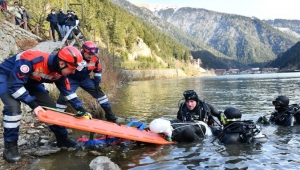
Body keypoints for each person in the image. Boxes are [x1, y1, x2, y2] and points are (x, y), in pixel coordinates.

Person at [0, 46, 89, 163]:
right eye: (72, 69)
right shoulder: (31, 59)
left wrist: (80, 108)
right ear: (62, 63)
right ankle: (10, 147)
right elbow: (15, 87)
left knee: (51, 110)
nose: (73, 72)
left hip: (31, 82)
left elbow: (67, 91)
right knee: (13, 107)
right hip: (8, 77)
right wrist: (34, 105)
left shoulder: (61, 72)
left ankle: (62, 138)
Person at [56, 41, 118, 122]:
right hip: (72, 79)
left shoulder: (95, 59)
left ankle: (109, 114)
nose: (91, 56)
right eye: (89, 54)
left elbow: (98, 70)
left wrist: (97, 83)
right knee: (64, 97)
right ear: (83, 51)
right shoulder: (76, 57)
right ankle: (57, 116)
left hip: (85, 79)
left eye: (93, 54)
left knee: (100, 93)